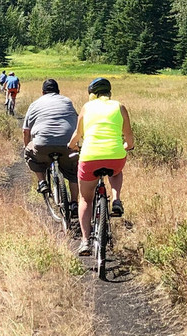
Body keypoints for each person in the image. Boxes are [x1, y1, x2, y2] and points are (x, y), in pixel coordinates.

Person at [67, 77, 134, 257]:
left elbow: (77, 134)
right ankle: (117, 199)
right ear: (109, 93)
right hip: (115, 155)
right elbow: (129, 137)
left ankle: (85, 241)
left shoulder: (86, 108)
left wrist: (71, 146)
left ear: (92, 94)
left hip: (90, 157)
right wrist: (127, 146)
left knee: (86, 200)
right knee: (117, 170)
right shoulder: (120, 107)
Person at [22, 79, 79, 220]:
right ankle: (74, 203)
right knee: (73, 172)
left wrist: (26, 145)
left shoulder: (35, 104)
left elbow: (25, 131)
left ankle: (42, 182)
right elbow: (77, 122)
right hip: (67, 145)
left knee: (29, 153)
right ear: (58, 92)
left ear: (42, 92)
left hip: (42, 144)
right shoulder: (67, 101)